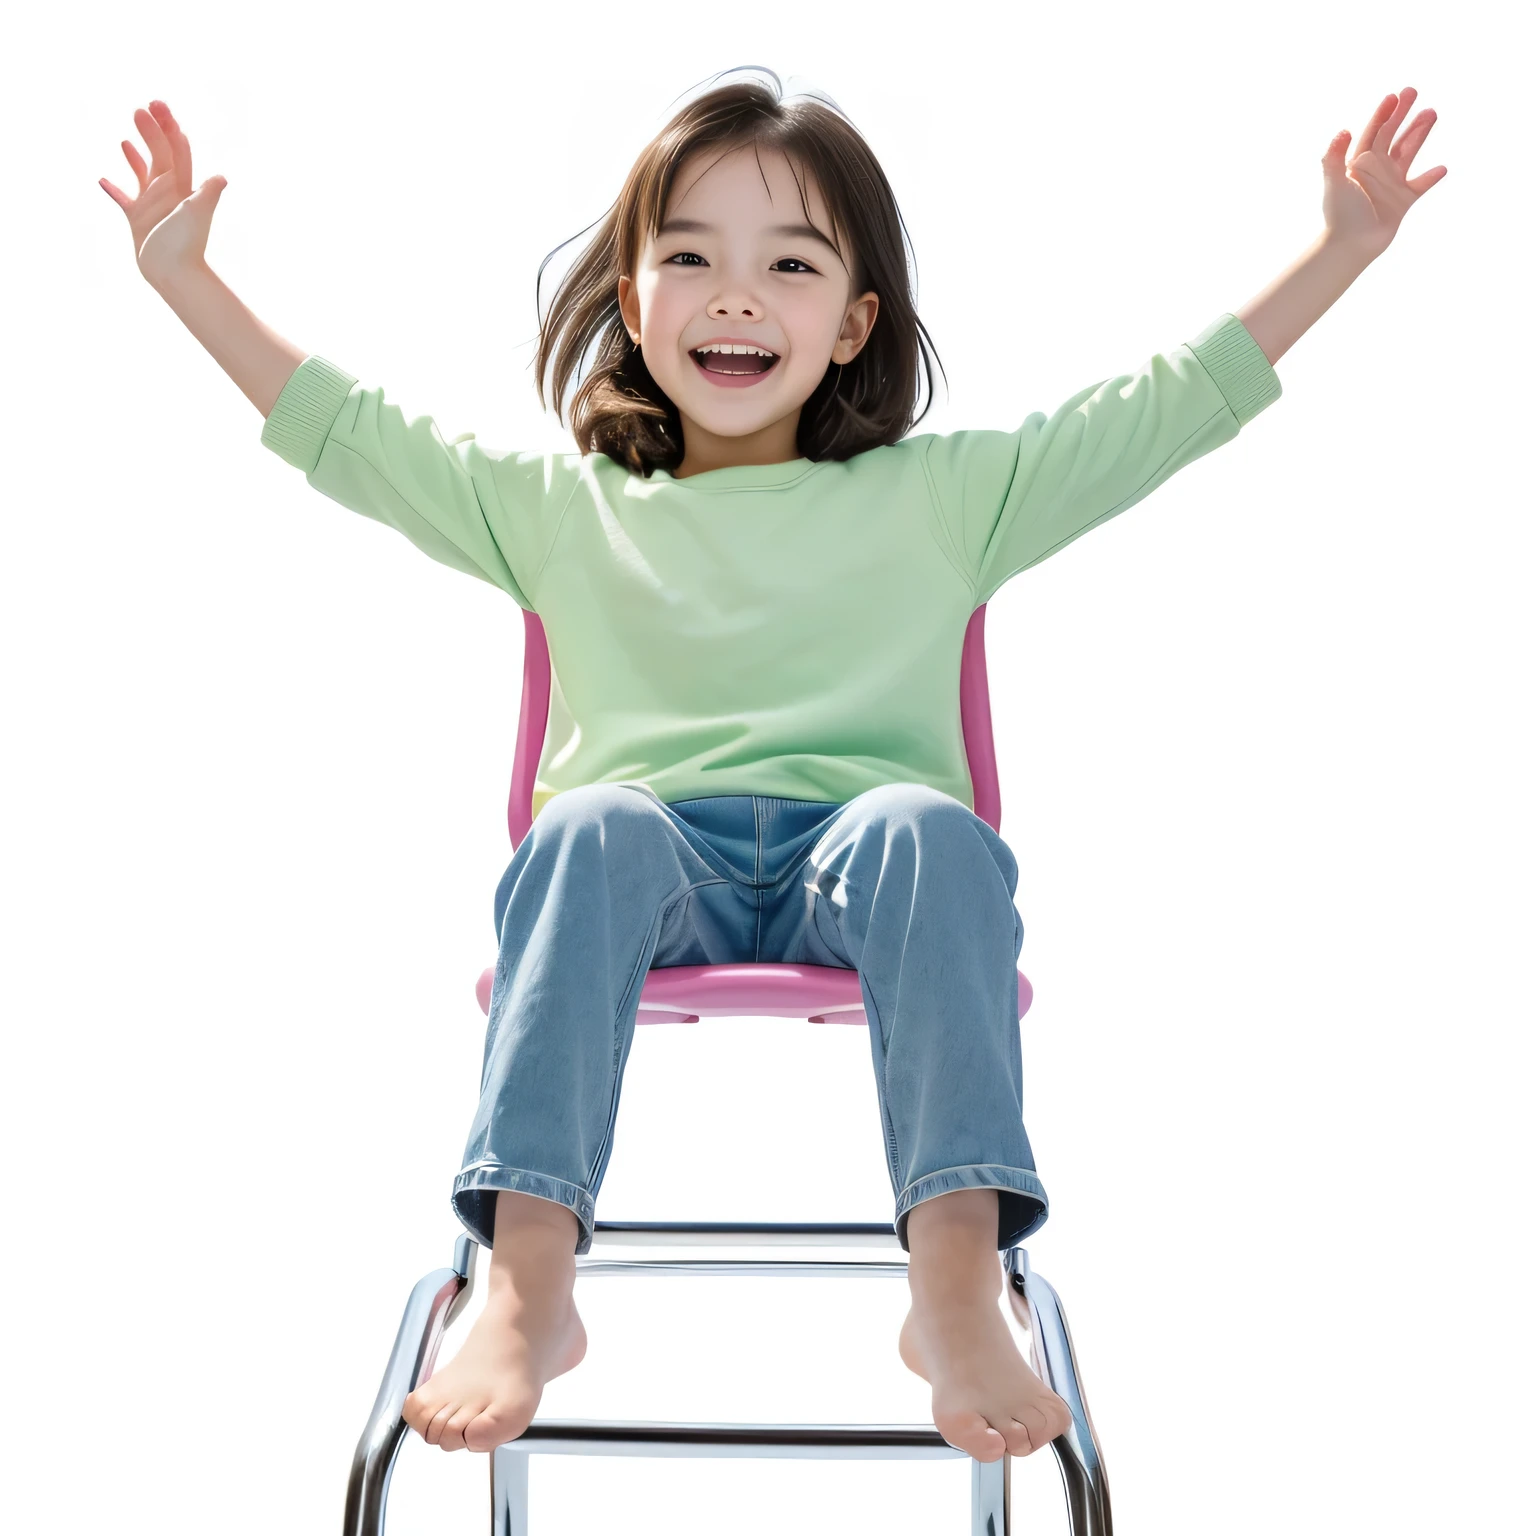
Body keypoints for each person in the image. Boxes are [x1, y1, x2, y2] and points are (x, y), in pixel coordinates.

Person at [105, 66, 1439, 1467]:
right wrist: (189, 284)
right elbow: (351, 438)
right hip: (644, 870)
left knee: (932, 827)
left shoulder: (941, 498)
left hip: (865, 870)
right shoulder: (563, 508)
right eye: (690, 258)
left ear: (854, 320)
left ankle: (956, 1284)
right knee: (590, 829)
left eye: (789, 265)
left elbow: (1161, 412)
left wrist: (1342, 249)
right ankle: (528, 1283)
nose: (736, 296)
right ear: (633, 301)